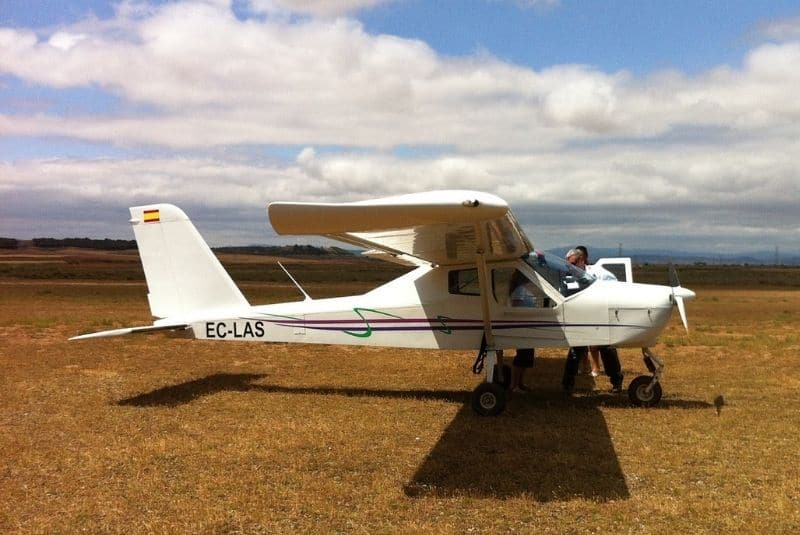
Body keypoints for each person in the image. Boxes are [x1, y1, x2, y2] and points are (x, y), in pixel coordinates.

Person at [561, 247, 624, 394]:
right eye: (568, 264)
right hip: (580, 319)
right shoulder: (569, 276)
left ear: (582, 260)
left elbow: (615, 289)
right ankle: (567, 384)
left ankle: (616, 382)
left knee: (607, 350)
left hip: (600, 318)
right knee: (576, 350)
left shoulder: (600, 274)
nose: (571, 267)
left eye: (573, 263)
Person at [508, 270, 535, 392]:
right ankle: (514, 385)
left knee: (527, 356)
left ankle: (520, 383)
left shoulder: (523, 289)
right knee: (521, 356)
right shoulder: (519, 290)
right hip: (523, 327)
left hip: (528, 327)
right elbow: (516, 308)